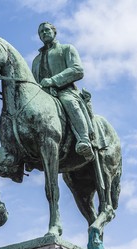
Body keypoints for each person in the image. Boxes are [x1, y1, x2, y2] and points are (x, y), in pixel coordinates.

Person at [32, 22, 94, 160]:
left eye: (47, 30)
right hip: (43, 95)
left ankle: (84, 140)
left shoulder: (67, 49)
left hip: (65, 91)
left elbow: (77, 70)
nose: (44, 33)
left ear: (54, 32)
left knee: (69, 102)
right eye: (41, 32)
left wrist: (53, 80)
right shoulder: (36, 60)